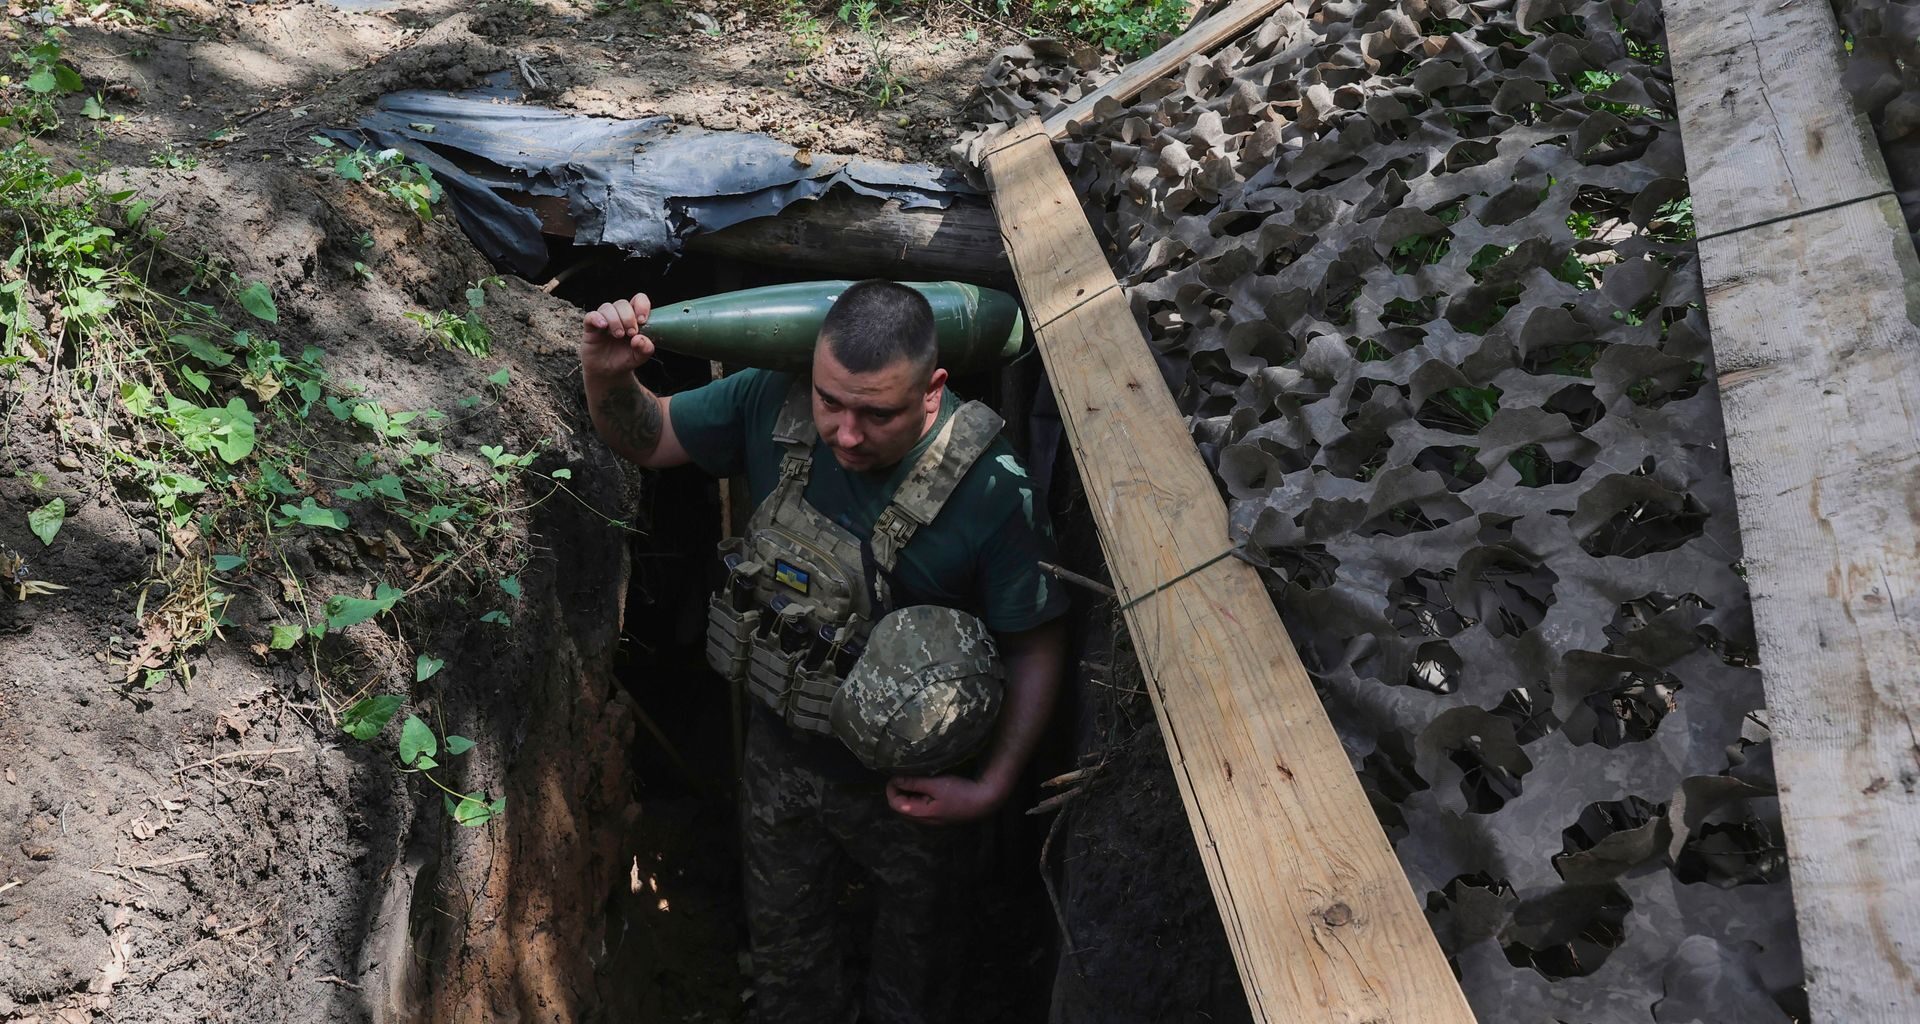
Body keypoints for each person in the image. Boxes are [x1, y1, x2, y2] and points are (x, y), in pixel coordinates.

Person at [579, 280, 1069, 1024]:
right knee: (789, 970)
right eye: (830, 401)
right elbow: (651, 436)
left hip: (916, 792)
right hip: (781, 761)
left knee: (920, 981)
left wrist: (994, 786)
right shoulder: (769, 399)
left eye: (877, 413)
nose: (845, 433)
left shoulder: (992, 491)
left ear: (934, 391)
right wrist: (607, 375)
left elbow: (1035, 644)